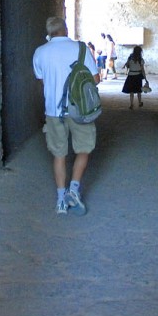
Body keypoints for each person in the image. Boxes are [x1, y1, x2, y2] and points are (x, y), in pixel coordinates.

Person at [33, 16, 99, 215]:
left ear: (49, 32)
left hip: (54, 111)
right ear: (66, 29)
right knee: (84, 149)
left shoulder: (40, 52)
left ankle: (60, 200)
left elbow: (42, 80)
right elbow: (95, 78)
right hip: (80, 109)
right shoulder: (81, 49)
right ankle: (74, 189)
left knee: (59, 154)